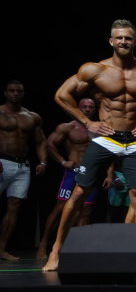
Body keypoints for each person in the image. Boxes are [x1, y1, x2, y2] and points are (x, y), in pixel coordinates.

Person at [43, 20, 136, 272]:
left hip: (135, 139)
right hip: (105, 138)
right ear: (111, 41)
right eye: (119, 38)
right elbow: (61, 95)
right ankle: (55, 251)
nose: (123, 41)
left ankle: (128, 254)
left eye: (128, 38)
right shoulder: (95, 70)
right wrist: (88, 122)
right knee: (79, 193)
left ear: (135, 42)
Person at [38, 98, 98, 258]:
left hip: (91, 173)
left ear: (95, 109)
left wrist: (110, 173)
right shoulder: (68, 127)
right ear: (78, 108)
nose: (87, 109)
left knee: (86, 211)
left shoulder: (99, 129)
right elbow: (49, 143)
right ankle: (43, 244)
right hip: (73, 172)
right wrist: (63, 161)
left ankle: (78, 247)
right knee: (60, 208)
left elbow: (108, 150)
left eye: (91, 107)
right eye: (84, 106)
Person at [0, 80, 48, 260]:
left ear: (23, 93)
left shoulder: (32, 117)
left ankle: (1, 249)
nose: (15, 93)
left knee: (14, 206)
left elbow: (41, 141)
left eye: (18, 91)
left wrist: (43, 162)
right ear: (5, 93)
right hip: (2, 162)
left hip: (22, 167)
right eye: (11, 90)